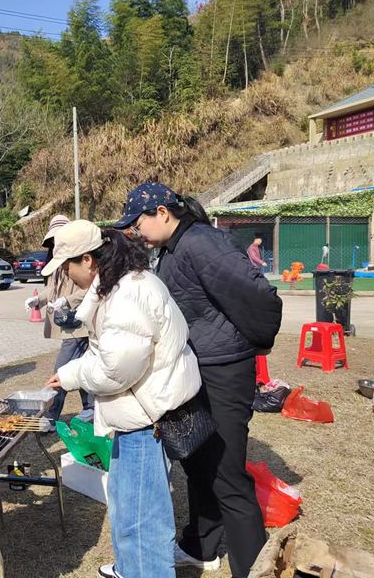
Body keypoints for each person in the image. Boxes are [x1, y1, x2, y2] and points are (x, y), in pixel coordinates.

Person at [115, 182, 282, 578]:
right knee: (198, 459)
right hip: (197, 369)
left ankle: (254, 568)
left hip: (222, 371)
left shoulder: (201, 242)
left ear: (163, 212)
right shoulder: (174, 248)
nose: (136, 230)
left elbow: (258, 299)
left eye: (138, 221)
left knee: (227, 475)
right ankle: (201, 545)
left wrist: (244, 345)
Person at [42, 220, 202, 578]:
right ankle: (131, 569)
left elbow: (116, 370)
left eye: (67, 266)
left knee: (142, 518)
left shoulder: (127, 294)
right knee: (128, 507)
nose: (67, 275)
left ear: (88, 260)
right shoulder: (120, 284)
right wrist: (68, 375)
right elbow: (110, 354)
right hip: (138, 415)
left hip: (146, 422)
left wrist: (72, 376)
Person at [24, 214, 93, 423]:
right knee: (79, 366)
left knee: (61, 371)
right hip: (67, 325)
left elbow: (90, 290)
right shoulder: (56, 264)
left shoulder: (80, 259)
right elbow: (51, 290)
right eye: (53, 242)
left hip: (79, 324)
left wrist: (66, 300)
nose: (56, 244)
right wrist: (37, 300)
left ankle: (51, 417)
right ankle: (90, 407)